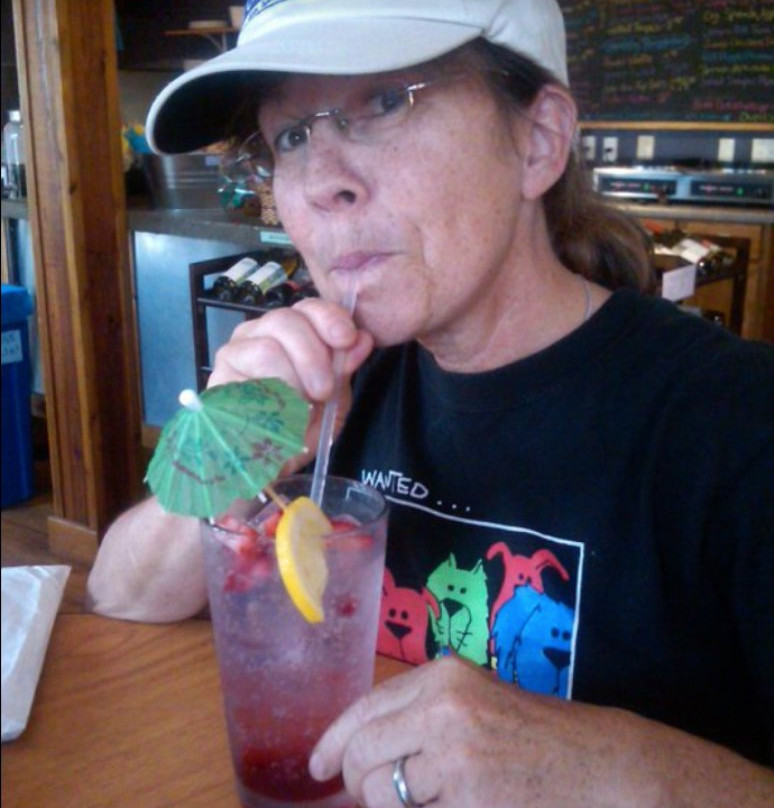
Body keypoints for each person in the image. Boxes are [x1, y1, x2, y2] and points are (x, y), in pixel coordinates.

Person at [87, 1, 774, 805]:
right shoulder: (327, 384)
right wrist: (234, 447)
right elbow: (118, 595)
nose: (322, 182)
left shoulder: (735, 425)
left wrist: (612, 765)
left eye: (384, 102)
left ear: (537, 142)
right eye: (291, 136)